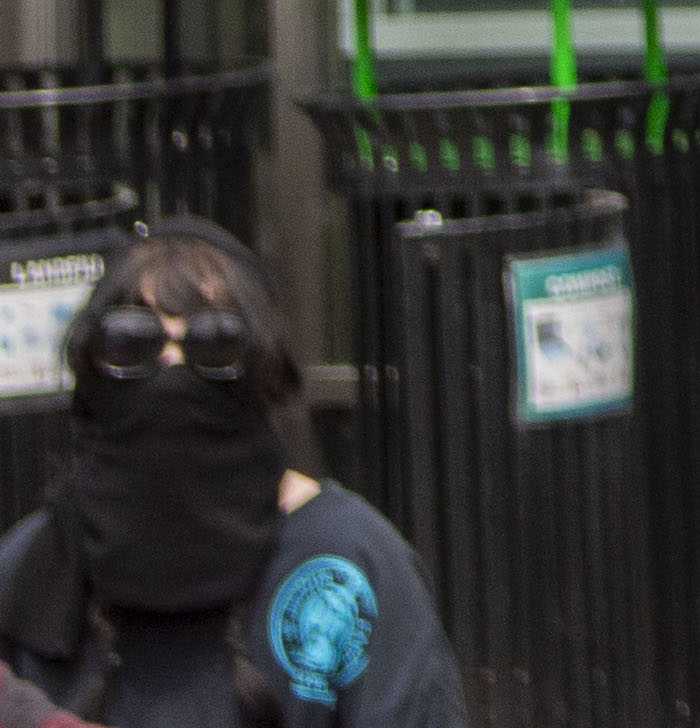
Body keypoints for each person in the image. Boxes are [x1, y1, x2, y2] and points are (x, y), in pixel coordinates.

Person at [0, 219, 465, 725]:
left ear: (264, 369)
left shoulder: (350, 563)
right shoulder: (34, 568)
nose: (172, 368)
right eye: (132, 341)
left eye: (214, 342)